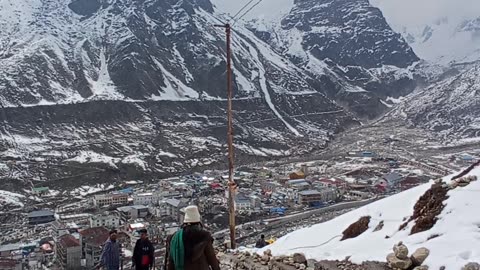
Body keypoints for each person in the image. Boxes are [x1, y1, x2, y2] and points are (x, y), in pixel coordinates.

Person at [166, 205, 220, 270]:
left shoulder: (175, 238)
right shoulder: (204, 236)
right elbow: (212, 259)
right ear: (198, 221)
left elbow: (170, 262)